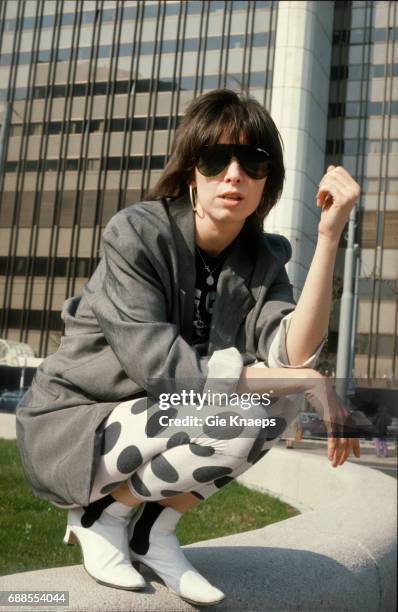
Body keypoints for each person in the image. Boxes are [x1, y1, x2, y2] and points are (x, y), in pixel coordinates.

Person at [16, 89, 361, 606]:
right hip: (79, 425)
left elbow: (288, 354)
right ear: (190, 170)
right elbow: (167, 371)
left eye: (253, 161)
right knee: (244, 407)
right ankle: (99, 515)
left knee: (277, 403)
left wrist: (330, 236)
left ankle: (150, 529)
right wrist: (313, 381)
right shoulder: (136, 235)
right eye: (216, 158)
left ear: (268, 180)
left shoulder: (262, 258)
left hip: (163, 412)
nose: (234, 174)